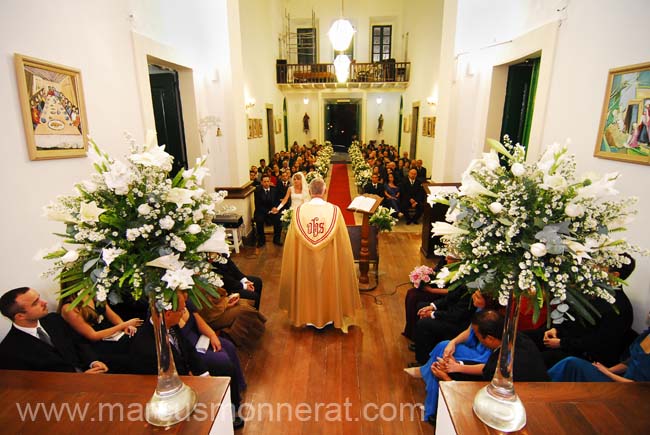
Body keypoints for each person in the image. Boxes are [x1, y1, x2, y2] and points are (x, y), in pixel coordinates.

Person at [129, 293, 244, 430]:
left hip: (187, 378)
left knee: (225, 368)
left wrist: (204, 375)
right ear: (168, 314)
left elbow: (188, 350)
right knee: (223, 367)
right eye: (181, 310)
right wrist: (196, 381)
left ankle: (230, 411)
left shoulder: (170, 324)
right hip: (171, 399)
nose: (184, 313)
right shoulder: (146, 346)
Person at [426, 310, 549, 425]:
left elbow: (475, 396)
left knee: (451, 376)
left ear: (490, 338)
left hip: (517, 406)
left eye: (478, 336)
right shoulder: (518, 338)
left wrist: (445, 378)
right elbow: (487, 368)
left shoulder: (503, 363)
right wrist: (457, 367)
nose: (477, 339)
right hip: (537, 389)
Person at [279, 177, 361, 333]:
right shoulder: (335, 211)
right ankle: (330, 315)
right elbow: (343, 244)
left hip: (305, 261)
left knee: (306, 280)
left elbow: (291, 244)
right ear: (325, 191)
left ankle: (306, 315)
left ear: (309, 192)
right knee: (330, 279)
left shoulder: (298, 212)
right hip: (330, 261)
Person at [0, 287, 108, 373]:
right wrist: (81, 380)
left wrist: (93, 362)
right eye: (35, 303)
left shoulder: (53, 319)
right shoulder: (9, 350)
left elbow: (79, 342)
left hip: (89, 370)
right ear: (20, 316)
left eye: (39, 298)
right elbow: (35, 384)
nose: (44, 302)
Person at [177, 292, 247, 393]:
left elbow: (198, 321)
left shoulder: (186, 302)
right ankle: (228, 397)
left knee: (229, 346)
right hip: (191, 350)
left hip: (200, 337)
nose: (186, 294)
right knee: (222, 360)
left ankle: (238, 388)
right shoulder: (170, 310)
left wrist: (212, 335)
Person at [58, 293, 143, 373]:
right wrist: (123, 325)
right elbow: (93, 335)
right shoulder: (68, 307)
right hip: (98, 345)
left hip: (113, 335)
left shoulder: (93, 293)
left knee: (141, 336)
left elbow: (111, 315)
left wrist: (125, 326)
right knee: (137, 348)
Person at [548, 324, 650, 382]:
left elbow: (640, 388)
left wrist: (608, 374)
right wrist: (609, 370)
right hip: (618, 378)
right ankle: (542, 386)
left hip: (628, 391)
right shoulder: (646, 334)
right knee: (571, 363)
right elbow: (631, 361)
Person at [198, 288, 267, 349]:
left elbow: (215, 291)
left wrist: (227, 299)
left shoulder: (201, 276)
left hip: (217, 306)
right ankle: (235, 341)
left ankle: (250, 338)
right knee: (243, 310)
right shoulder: (192, 285)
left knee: (243, 303)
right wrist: (226, 304)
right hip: (211, 318)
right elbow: (208, 312)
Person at [253, 174, 282, 247]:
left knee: (279, 218)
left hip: (273, 210)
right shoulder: (257, 191)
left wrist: (275, 208)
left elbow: (277, 201)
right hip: (262, 211)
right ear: (261, 182)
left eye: (268, 181)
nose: (266, 183)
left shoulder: (274, 190)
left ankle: (277, 239)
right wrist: (268, 211)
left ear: (270, 182)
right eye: (264, 181)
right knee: (259, 220)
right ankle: (261, 240)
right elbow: (258, 205)